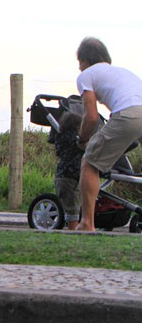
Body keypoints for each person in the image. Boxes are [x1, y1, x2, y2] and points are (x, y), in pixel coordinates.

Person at [75, 37, 142, 231]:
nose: (80, 68)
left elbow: (91, 117)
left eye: (80, 63)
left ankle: (87, 223)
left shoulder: (86, 75)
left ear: (84, 61)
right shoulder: (123, 72)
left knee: (90, 163)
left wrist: (82, 139)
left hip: (127, 114)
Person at [48, 111, 82, 230]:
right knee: (73, 208)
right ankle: (72, 231)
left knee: (70, 205)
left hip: (62, 175)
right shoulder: (75, 139)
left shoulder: (59, 136)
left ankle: (73, 227)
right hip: (70, 176)